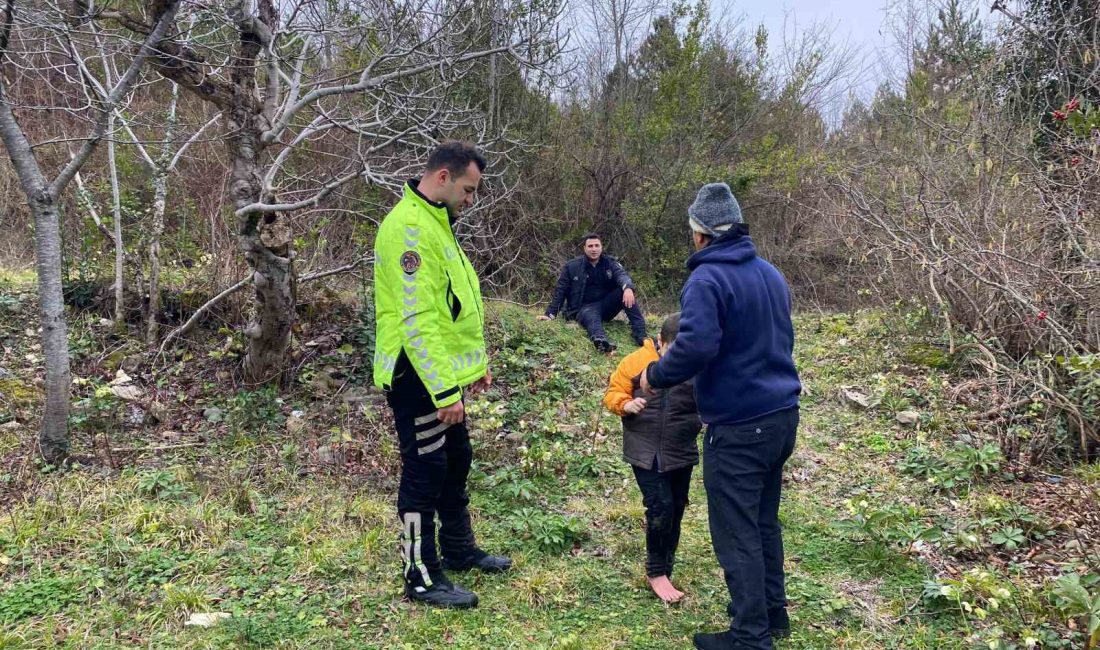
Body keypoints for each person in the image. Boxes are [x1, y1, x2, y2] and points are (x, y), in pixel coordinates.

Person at [639, 183, 802, 650]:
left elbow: (695, 346)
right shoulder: (770, 273)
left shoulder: (707, 281)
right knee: (764, 521)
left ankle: (750, 636)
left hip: (739, 427)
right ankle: (773, 615)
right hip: (782, 417)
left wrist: (655, 375)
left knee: (736, 532)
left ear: (700, 234)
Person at [373, 141, 511, 610]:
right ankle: (420, 574)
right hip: (416, 377)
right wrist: (444, 391)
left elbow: (454, 306)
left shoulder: (437, 222)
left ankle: (458, 548)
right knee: (425, 469)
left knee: (455, 460)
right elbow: (418, 322)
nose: (471, 200)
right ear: (442, 178)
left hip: (441, 376)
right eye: (469, 190)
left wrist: (474, 368)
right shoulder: (410, 229)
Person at [603, 313, 701, 604]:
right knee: (660, 507)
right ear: (661, 341)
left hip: (681, 449)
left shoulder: (698, 362)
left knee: (677, 507)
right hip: (645, 450)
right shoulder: (635, 361)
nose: (678, 360)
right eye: (674, 352)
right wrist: (626, 403)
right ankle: (656, 572)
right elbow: (612, 393)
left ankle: (666, 566)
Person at [537, 233, 647, 352]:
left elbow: (622, 275)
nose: (594, 249)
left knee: (625, 291)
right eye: (590, 246)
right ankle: (601, 341)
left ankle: (641, 336)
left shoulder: (610, 263)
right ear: (584, 248)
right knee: (591, 315)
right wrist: (550, 314)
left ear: (601, 247)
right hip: (582, 308)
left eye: (596, 245)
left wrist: (628, 287)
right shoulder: (572, 267)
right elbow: (560, 291)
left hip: (605, 306)